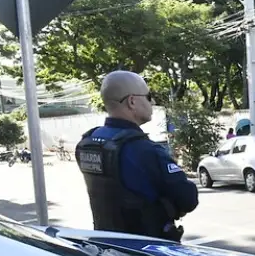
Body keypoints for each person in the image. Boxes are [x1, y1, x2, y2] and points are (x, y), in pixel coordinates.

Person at [75, 71, 198, 241]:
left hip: (103, 246)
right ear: (132, 101)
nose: (152, 102)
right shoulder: (144, 150)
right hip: (145, 249)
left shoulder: (87, 143)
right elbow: (188, 199)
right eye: (148, 97)